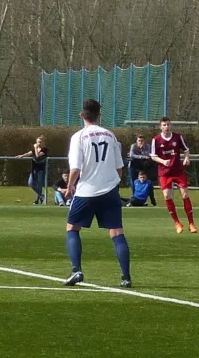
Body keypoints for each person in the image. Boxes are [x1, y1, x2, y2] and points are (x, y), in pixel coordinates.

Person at [63, 99, 132, 288]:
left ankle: (76, 270)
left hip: (87, 190)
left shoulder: (79, 137)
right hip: (110, 191)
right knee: (117, 232)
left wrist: (70, 186)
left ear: (82, 115)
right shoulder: (110, 135)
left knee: (72, 228)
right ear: (99, 114)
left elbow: (75, 168)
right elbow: (119, 168)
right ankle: (126, 277)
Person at [150, 117, 197, 234]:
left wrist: (186, 158)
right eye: (164, 125)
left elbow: (186, 150)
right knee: (167, 196)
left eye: (168, 125)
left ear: (171, 125)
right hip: (164, 172)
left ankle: (191, 223)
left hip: (177, 171)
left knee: (185, 194)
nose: (166, 127)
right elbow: (153, 156)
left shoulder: (177, 137)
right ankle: (177, 223)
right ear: (160, 127)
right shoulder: (156, 140)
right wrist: (163, 161)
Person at [16, 136, 48, 205]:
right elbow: (29, 153)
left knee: (39, 185)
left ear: (43, 142)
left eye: (40, 142)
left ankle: (37, 200)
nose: (38, 143)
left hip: (41, 169)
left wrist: (36, 148)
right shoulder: (35, 149)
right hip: (34, 169)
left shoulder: (44, 149)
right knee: (30, 183)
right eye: (37, 142)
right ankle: (41, 196)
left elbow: (37, 156)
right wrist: (21, 156)